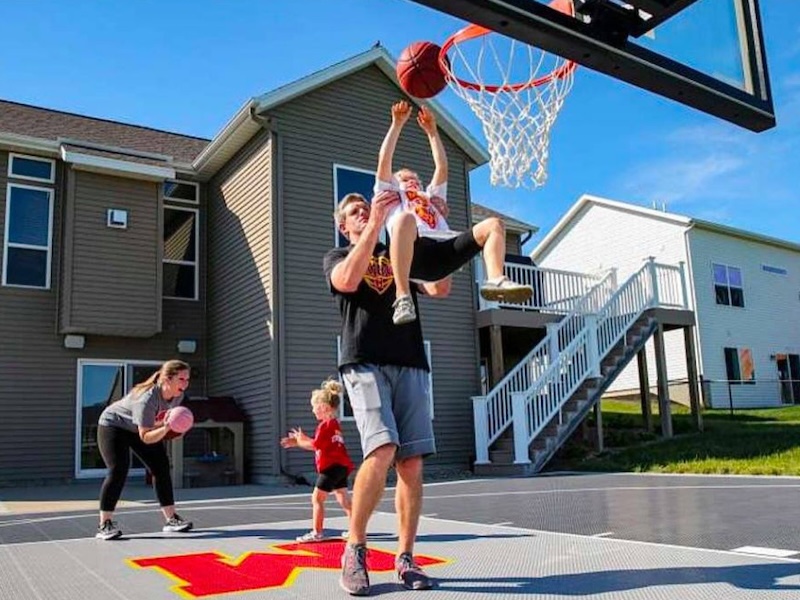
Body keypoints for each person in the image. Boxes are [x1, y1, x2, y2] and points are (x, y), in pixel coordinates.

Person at [324, 189, 451, 596]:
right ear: (342, 225)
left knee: (411, 464)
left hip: (410, 359)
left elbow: (439, 287)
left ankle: (406, 558)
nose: (363, 212)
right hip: (364, 361)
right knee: (381, 449)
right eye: (354, 212)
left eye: (367, 207)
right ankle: (355, 547)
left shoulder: (401, 252)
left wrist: (436, 228)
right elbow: (346, 281)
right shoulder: (336, 256)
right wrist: (375, 223)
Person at [376, 99, 533, 325]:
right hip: (414, 254)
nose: (410, 181)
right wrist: (397, 124)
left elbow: (442, 167)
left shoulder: (432, 199)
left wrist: (432, 132)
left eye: (414, 179)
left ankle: (496, 279)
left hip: (443, 252)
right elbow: (384, 160)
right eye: (403, 178)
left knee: (494, 224)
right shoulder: (391, 197)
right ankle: (403, 297)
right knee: (404, 219)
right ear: (395, 183)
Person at [95, 359, 194, 540]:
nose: (185, 384)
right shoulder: (147, 399)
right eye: (181, 379)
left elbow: (163, 422)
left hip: (141, 427)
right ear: (167, 379)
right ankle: (105, 525)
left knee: (161, 467)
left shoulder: (178, 396)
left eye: (187, 379)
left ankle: (171, 520)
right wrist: (165, 429)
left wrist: (176, 429)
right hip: (114, 425)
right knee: (118, 469)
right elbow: (146, 437)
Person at [280, 378, 354, 542]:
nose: (313, 411)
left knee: (317, 499)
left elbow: (315, 446)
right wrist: (301, 440)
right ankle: (356, 529)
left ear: (324, 407)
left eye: (314, 407)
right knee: (343, 497)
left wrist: (299, 441)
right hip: (341, 466)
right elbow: (320, 443)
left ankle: (317, 532)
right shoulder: (334, 424)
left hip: (331, 467)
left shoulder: (324, 425)